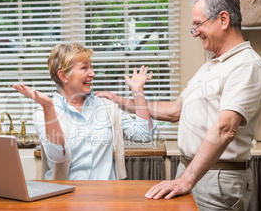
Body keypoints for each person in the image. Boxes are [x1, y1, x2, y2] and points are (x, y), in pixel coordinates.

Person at [96, 0, 261, 211]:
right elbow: (176, 110)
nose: (195, 32)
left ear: (223, 20)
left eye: (198, 24)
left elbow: (226, 128)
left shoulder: (246, 65)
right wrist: (121, 102)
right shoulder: (211, 65)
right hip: (191, 172)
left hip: (217, 178)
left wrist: (185, 180)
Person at [13, 43, 156, 180]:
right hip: (64, 197)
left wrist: (137, 91)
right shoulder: (44, 111)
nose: (92, 73)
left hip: (105, 196)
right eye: (84, 68)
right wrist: (48, 107)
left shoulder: (106, 106)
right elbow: (58, 156)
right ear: (63, 76)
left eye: (91, 67)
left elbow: (144, 135)